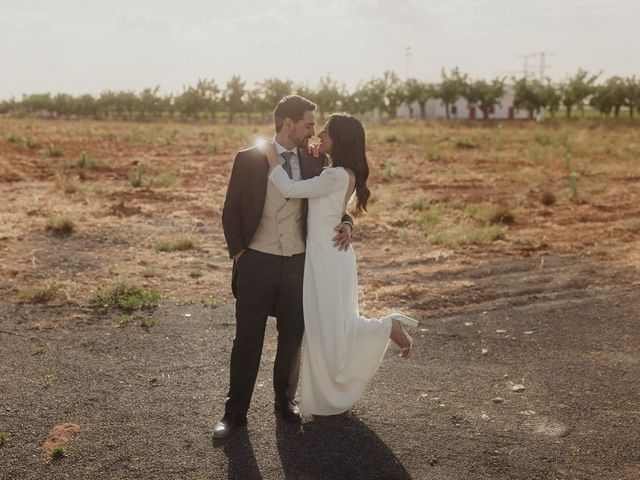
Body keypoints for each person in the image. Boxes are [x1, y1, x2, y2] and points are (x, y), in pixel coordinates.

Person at [215, 96, 354, 439]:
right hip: (256, 262)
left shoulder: (314, 161)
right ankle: (234, 414)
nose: (312, 132)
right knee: (247, 338)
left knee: (292, 336)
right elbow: (230, 210)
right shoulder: (248, 158)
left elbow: (332, 201)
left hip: (298, 263)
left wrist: (348, 222)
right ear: (287, 123)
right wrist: (238, 254)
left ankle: (284, 402)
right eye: (307, 124)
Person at [262, 113, 418, 416]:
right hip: (332, 254)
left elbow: (291, 190)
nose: (320, 132)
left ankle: (388, 326)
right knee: (332, 327)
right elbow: (333, 208)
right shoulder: (340, 172)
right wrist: (348, 223)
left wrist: (271, 160)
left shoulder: (334, 176)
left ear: (341, 139)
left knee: (329, 328)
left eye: (327, 130)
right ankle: (337, 400)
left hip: (327, 257)